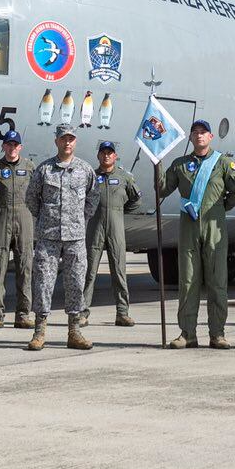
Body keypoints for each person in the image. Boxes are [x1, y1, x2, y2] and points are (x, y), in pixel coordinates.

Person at [158, 118, 235, 348]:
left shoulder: (223, 163)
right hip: (189, 227)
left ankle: (217, 333)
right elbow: (163, 188)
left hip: (214, 228)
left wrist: (219, 208)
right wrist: (157, 162)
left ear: (210, 137)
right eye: (195, 132)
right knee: (188, 281)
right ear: (191, 137)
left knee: (217, 281)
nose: (199, 136)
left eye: (203, 132)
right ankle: (188, 334)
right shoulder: (180, 164)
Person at [25, 123, 95, 350]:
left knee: (76, 283)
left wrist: (78, 220)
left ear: (75, 141)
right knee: (43, 282)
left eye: (71, 139)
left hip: (75, 237)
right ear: (56, 141)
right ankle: (39, 332)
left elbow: (92, 199)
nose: (67, 142)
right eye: (63, 138)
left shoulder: (85, 170)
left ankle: (74, 332)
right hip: (49, 237)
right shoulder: (44, 170)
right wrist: (46, 218)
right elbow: (32, 199)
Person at [82, 139, 141, 328]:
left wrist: (119, 212)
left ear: (115, 156)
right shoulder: (90, 177)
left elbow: (136, 200)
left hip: (115, 228)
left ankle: (122, 313)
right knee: (89, 272)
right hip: (95, 228)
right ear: (98, 155)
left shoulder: (124, 177)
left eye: (110, 152)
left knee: (119, 272)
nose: (106, 155)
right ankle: (82, 313)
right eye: (103, 152)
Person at [0, 128, 35, 330]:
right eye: (8, 144)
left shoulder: (30, 167)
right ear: (3, 146)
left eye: (15, 145)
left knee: (25, 267)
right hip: (2, 218)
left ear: (20, 147)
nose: (12, 148)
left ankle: (23, 314)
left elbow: (38, 193)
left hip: (24, 218)